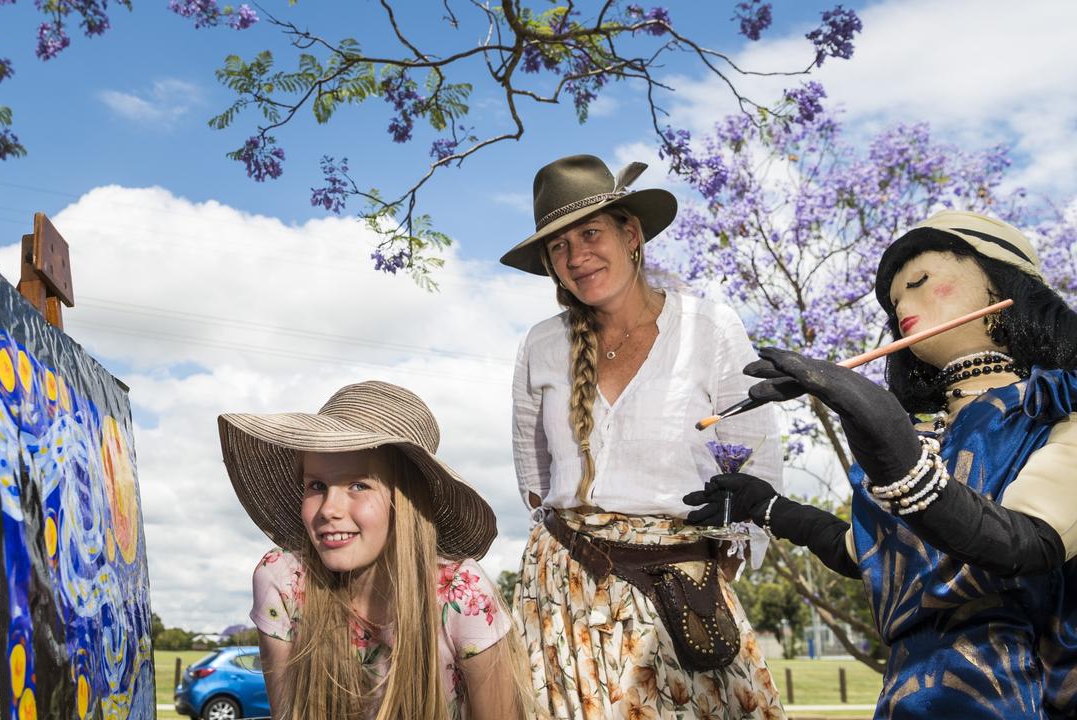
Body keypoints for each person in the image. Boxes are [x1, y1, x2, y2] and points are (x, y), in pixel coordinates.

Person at [684, 210, 1077, 718]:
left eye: (919, 283)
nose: (903, 307)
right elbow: (864, 554)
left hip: (1018, 698)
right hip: (903, 700)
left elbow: (1025, 542)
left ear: (1003, 290)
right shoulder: (928, 435)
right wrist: (769, 507)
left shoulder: (1058, 413)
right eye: (895, 302)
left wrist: (897, 455)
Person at [504, 154, 787, 718]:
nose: (577, 257)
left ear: (630, 233)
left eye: (590, 233)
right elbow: (535, 480)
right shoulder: (541, 344)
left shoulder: (709, 327)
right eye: (559, 246)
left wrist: (708, 569)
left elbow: (756, 463)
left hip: (681, 590)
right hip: (564, 595)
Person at [218, 380, 531, 720]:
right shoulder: (284, 581)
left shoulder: (462, 594)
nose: (328, 510)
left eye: (358, 485)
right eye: (316, 486)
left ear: (407, 501)